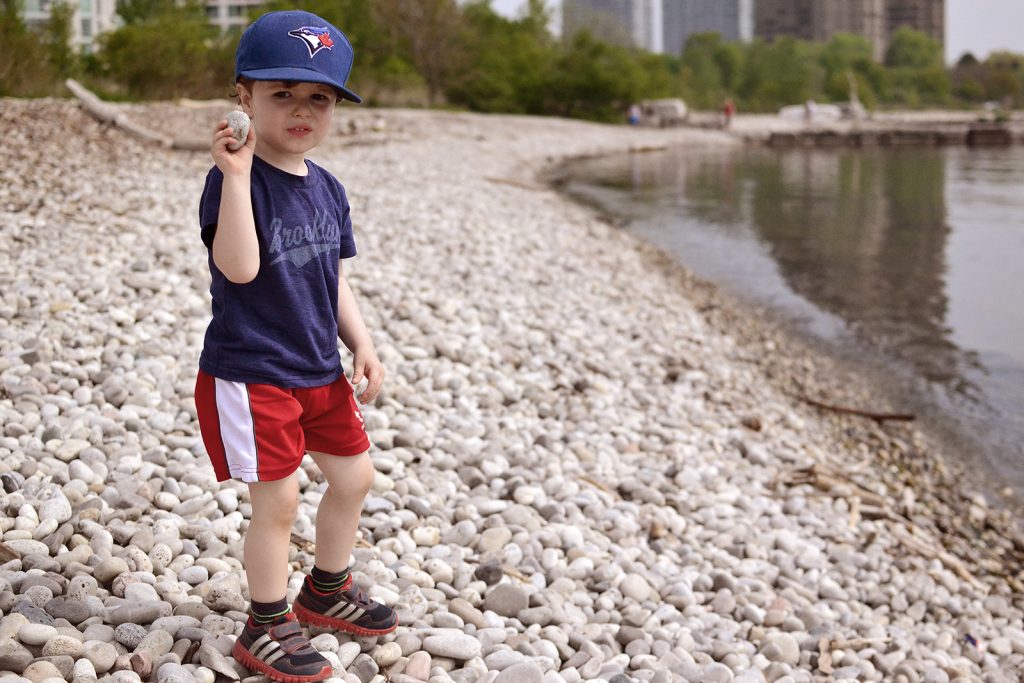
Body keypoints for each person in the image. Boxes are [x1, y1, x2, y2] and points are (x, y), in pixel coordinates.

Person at [193, 10, 397, 682]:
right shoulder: (234, 181)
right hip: (254, 372)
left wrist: (361, 343)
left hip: (319, 368)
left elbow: (333, 278)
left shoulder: (328, 187)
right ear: (243, 98)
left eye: (320, 97)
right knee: (277, 500)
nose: (303, 110)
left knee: (354, 475)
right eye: (283, 94)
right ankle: (265, 621)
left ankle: (326, 590)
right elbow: (240, 267)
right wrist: (239, 176)